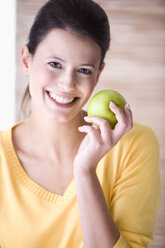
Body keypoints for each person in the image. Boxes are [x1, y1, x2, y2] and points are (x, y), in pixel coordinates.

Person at [0, 0, 160, 247]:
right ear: (26, 60)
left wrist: (85, 172)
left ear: (98, 74)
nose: (67, 84)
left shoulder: (133, 145)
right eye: (54, 64)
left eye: (84, 70)